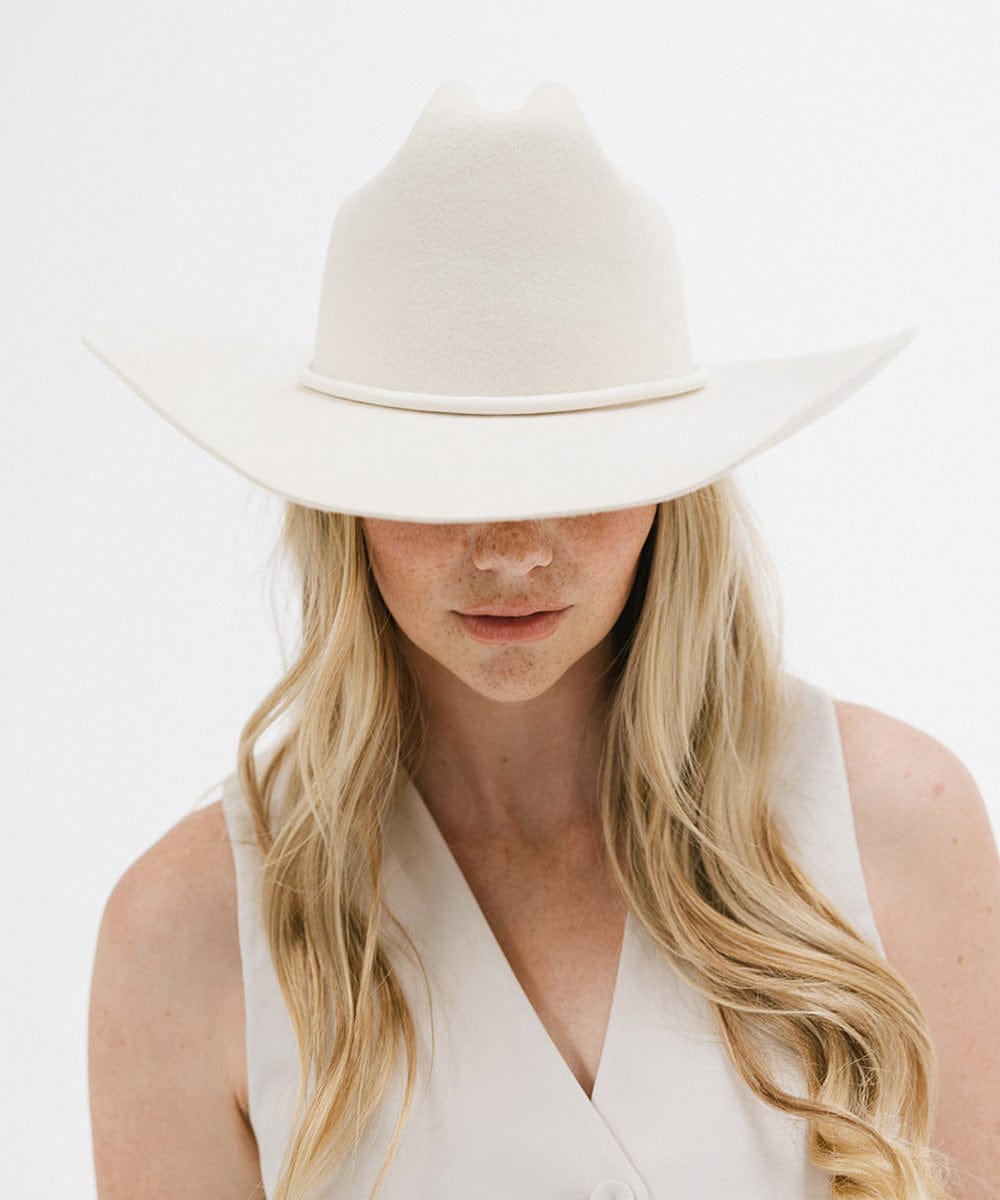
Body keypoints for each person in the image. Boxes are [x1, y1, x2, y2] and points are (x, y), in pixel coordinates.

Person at [83, 80, 999, 1200]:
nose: (512, 550)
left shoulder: (896, 826)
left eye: (578, 471)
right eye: (438, 478)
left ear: (672, 484)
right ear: (339, 495)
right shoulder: (183, 939)